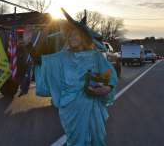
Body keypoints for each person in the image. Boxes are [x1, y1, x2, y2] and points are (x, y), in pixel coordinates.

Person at [33, 9, 118, 146]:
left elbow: (111, 74)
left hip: (92, 106)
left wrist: (107, 88)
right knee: (75, 141)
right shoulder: (62, 57)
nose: (72, 37)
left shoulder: (95, 56)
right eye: (70, 35)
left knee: (97, 139)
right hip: (70, 109)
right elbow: (40, 61)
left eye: (76, 35)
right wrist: (27, 45)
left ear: (83, 38)